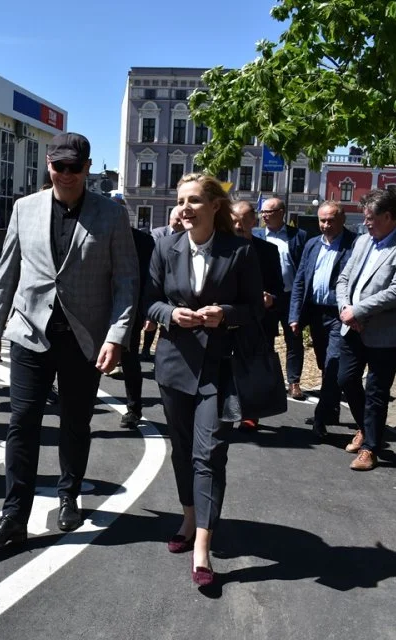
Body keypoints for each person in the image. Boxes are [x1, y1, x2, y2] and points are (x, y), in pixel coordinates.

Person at [0, 132, 138, 546]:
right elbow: (7, 272)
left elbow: (126, 281)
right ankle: (14, 515)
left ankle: (69, 494)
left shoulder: (111, 215)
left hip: (85, 339)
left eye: (74, 167)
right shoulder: (24, 209)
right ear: (48, 164)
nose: (65, 174)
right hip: (31, 332)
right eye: (58, 166)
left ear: (87, 168)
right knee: (22, 423)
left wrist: (116, 337)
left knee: (75, 423)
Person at [144, 173, 263, 587]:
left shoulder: (241, 252)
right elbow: (150, 300)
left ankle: (202, 548)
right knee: (181, 449)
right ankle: (189, 516)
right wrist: (169, 314)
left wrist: (225, 315)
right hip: (174, 364)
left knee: (209, 452)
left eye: (194, 200)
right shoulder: (165, 247)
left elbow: (255, 310)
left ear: (215, 206)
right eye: (181, 200)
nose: (185, 208)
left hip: (219, 368)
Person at [334, 189, 396, 471]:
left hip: (385, 334)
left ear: (388, 216)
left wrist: (358, 311)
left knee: (376, 390)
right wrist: (345, 309)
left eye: (371, 218)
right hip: (352, 327)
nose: (366, 223)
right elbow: (344, 278)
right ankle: (365, 427)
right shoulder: (363, 241)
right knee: (345, 378)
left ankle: (370, 448)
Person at [288, 201, 357, 438]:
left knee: (333, 363)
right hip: (316, 314)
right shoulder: (311, 245)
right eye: (322, 220)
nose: (325, 225)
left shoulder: (354, 244)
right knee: (323, 364)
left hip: (340, 315)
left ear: (342, 219)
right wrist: (295, 315)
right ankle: (332, 409)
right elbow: (300, 281)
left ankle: (320, 417)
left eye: (331, 220)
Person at [231, 199, 285, 430]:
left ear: (253, 221)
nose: (238, 224)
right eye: (234, 219)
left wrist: (271, 299)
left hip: (258, 320)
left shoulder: (268, 251)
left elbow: (278, 288)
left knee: (254, 367)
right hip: (226, 318)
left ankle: (250, 413)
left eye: (244, 220)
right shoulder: (218, 248)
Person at [253, 198, 307, 400]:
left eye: (269, 211)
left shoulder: (298, 236)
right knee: (265, 340)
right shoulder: (258, 236)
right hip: (266, 297)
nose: (264, 215)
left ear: (282, 212)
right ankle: (268, 382)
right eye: (262, 212)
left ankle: (294, 383)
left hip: (290, 296)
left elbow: (303, 268)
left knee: (294, 340)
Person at [119, 223, 155, 428]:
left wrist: (148, 312)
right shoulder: (95, 235)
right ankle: (82, 408)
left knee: (129, 360)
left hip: (129, 310)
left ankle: (134, 408)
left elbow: (150, 280)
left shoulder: (143, 241)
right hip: (95, 310)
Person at [143, 207, 186, 358]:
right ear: (170, 219)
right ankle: (145, 350)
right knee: (153, 318)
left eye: (182, 220)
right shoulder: (158, 234)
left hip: (178, 282)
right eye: (177, 219)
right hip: (160, 279)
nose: (180, 222)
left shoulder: (189, 236)